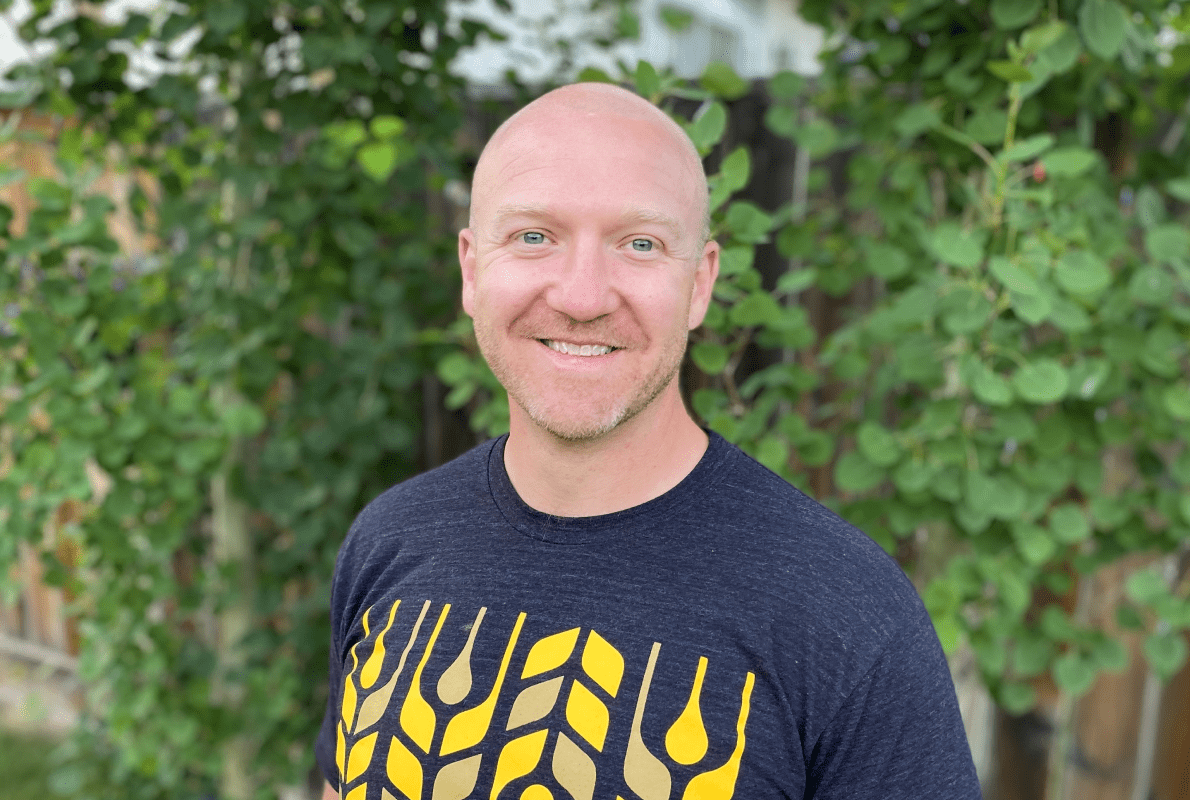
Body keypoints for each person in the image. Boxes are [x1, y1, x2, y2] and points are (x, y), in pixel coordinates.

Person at [316, 82, 982, 800]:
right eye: (535, 236)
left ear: (700, 284)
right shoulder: (392, 539)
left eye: (639, 244)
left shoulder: (844, 613)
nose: (581, 296)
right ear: (473, 268)